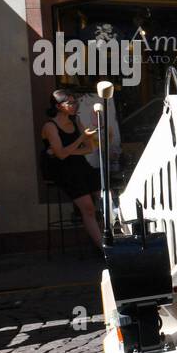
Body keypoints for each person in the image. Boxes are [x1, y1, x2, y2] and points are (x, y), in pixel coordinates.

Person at [40, 89, 103, 247]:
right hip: (62, 170)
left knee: (105, 197)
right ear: (59, 106)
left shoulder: (76, 121)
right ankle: (103, 249)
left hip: (80, 165)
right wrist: (81, 138)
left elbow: (88, 148)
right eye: (70, 103)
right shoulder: (50, 126)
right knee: (88, 208)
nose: (75, 105)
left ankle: (113, 239)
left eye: (75, 102)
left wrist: (67, 151)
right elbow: (61, 157)